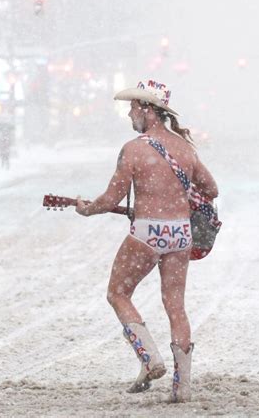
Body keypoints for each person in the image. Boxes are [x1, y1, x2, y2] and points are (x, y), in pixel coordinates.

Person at [75, 79, 218, 402]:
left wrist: (88, 210)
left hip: (147, 234)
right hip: (180, 233)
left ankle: (150, 358)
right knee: (175, 305)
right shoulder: (185, 149)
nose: (129, 115)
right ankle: (182, 387)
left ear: (147, 110)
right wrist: (178, 196)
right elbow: (212, 189)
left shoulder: (135, 149)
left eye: (132, 108)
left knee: (118, 293)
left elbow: (110, 197)